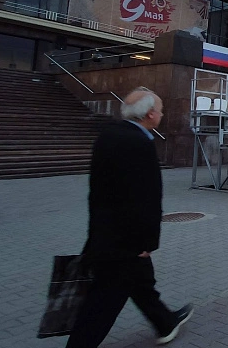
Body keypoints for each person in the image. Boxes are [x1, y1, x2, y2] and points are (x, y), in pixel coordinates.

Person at [67, 88, 193, 348]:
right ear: (150, 114)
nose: (161, 113)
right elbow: (145, 199)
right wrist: (145, 243)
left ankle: (165, 322)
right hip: (124, 242)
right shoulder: (139, 143)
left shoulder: (109, 135)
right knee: (103, 302)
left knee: (142, 283)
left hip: (106, 232)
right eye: (160, 109)